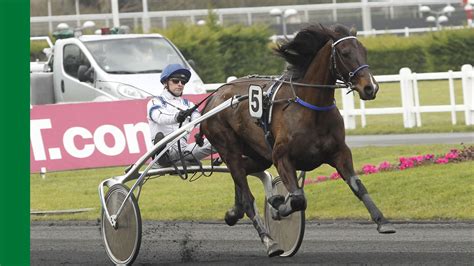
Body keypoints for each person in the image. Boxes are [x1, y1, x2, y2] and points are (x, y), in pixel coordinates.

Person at [146, 63, 214, 167]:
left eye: (183, 82)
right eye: (175, 81)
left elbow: (199, 122)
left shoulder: (189, 105)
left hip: (184, 150)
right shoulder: (155, 102)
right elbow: (159, 117)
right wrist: (177, 117)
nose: (180, 84)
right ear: (165, 82)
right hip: (164, 150)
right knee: (163, 146)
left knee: (220, 140)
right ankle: (163, 157)